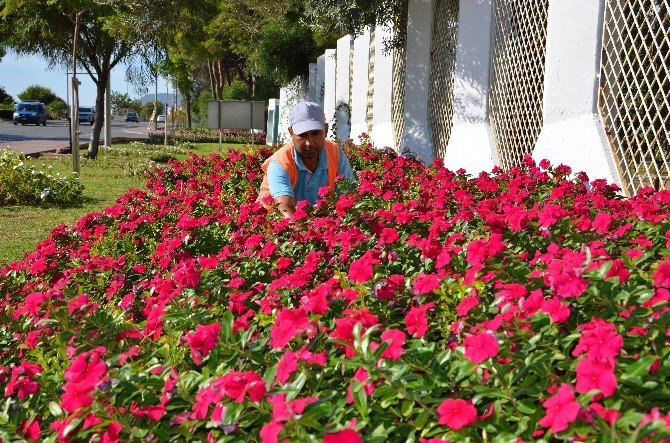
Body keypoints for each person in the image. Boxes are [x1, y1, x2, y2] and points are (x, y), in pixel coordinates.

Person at [259, 101, 355, 218]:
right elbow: (285, 210)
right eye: (302, 135)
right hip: (275, 226)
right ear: (291, 132)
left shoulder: (336, 153)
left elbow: (348, 198)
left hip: (318, 223)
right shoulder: (280, 162)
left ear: (325, 129)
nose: (309, 143)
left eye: (315, 133)